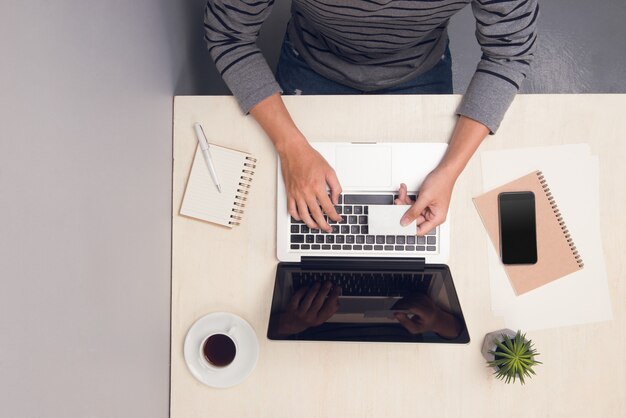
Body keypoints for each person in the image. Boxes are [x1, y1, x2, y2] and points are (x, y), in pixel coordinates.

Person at [203, 0, 538, 234]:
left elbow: (509, 53)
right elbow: (229, 35)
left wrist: (449, 171)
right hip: (310, 60)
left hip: (421, 66)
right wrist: (290, 146)